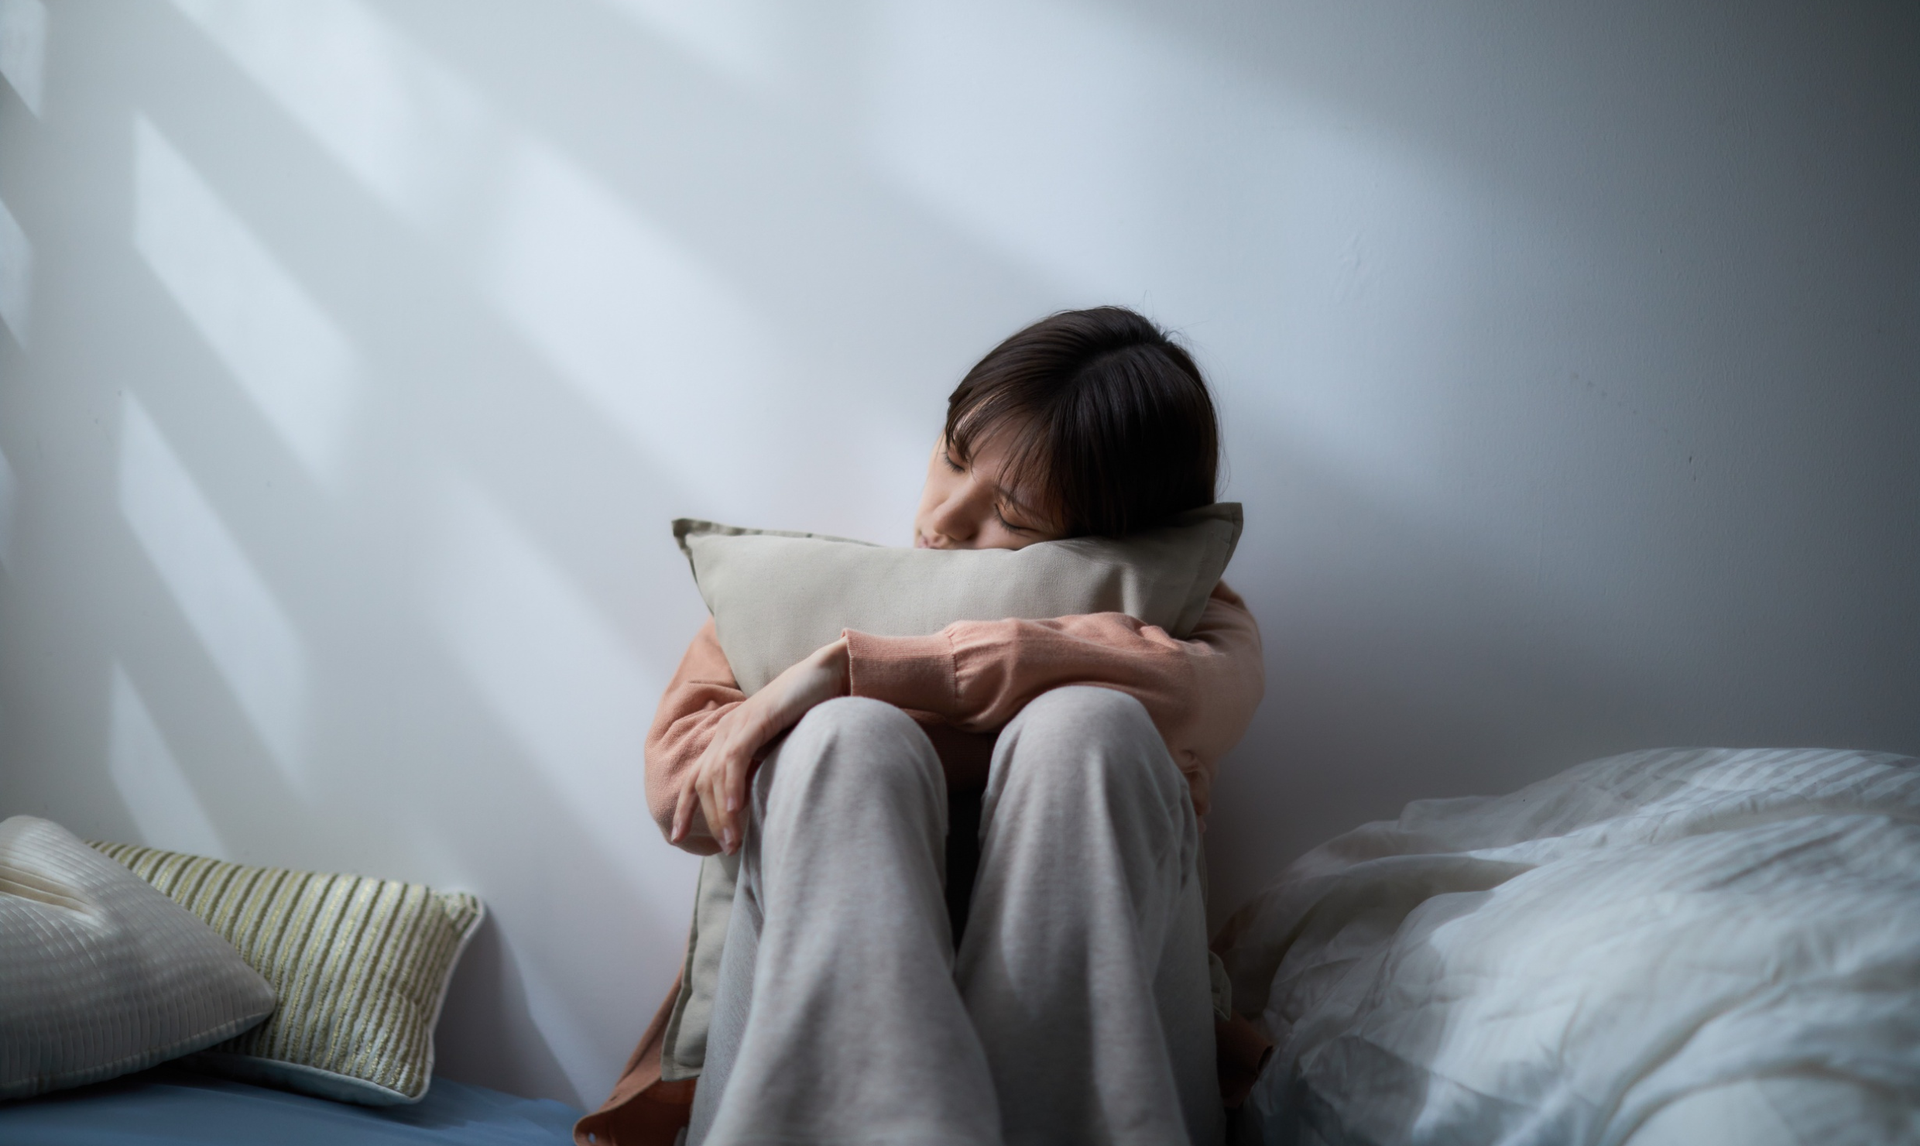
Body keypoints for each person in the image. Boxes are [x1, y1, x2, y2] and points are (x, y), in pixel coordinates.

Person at [632, 307, 1263, 1146]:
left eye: (1014, 516)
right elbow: (685, 801)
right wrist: (884, 721)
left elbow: (1192, 699)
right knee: (846, 742)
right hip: (793, 1076)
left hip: (1107, 1075)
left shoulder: (1191, 627)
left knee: (1087, 727)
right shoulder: (787, 607)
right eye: (954, 456)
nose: (945, 520)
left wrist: (839, 673)